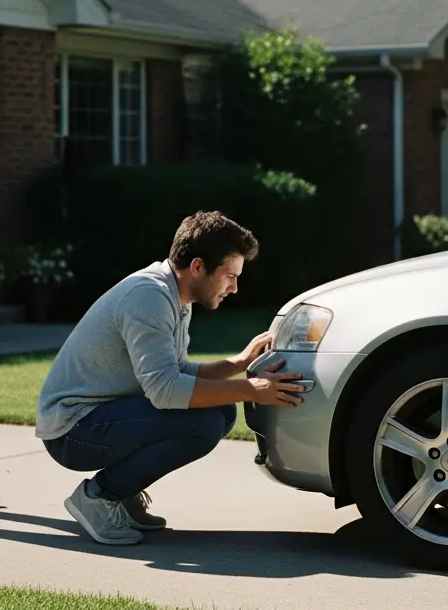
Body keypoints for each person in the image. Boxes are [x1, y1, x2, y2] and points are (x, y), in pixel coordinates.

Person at [36, 211, 308, 545]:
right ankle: (99, 497)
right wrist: (251, 389)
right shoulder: (147, 297)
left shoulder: (174, 295)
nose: (235, 288)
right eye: (229, 276)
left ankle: (122, 490)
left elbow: (175, 373)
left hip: (102, 417)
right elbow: (166, 391)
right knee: (204, 423)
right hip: (72, 430)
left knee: (220, 413)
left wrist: (239, 363)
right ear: (197, 267)